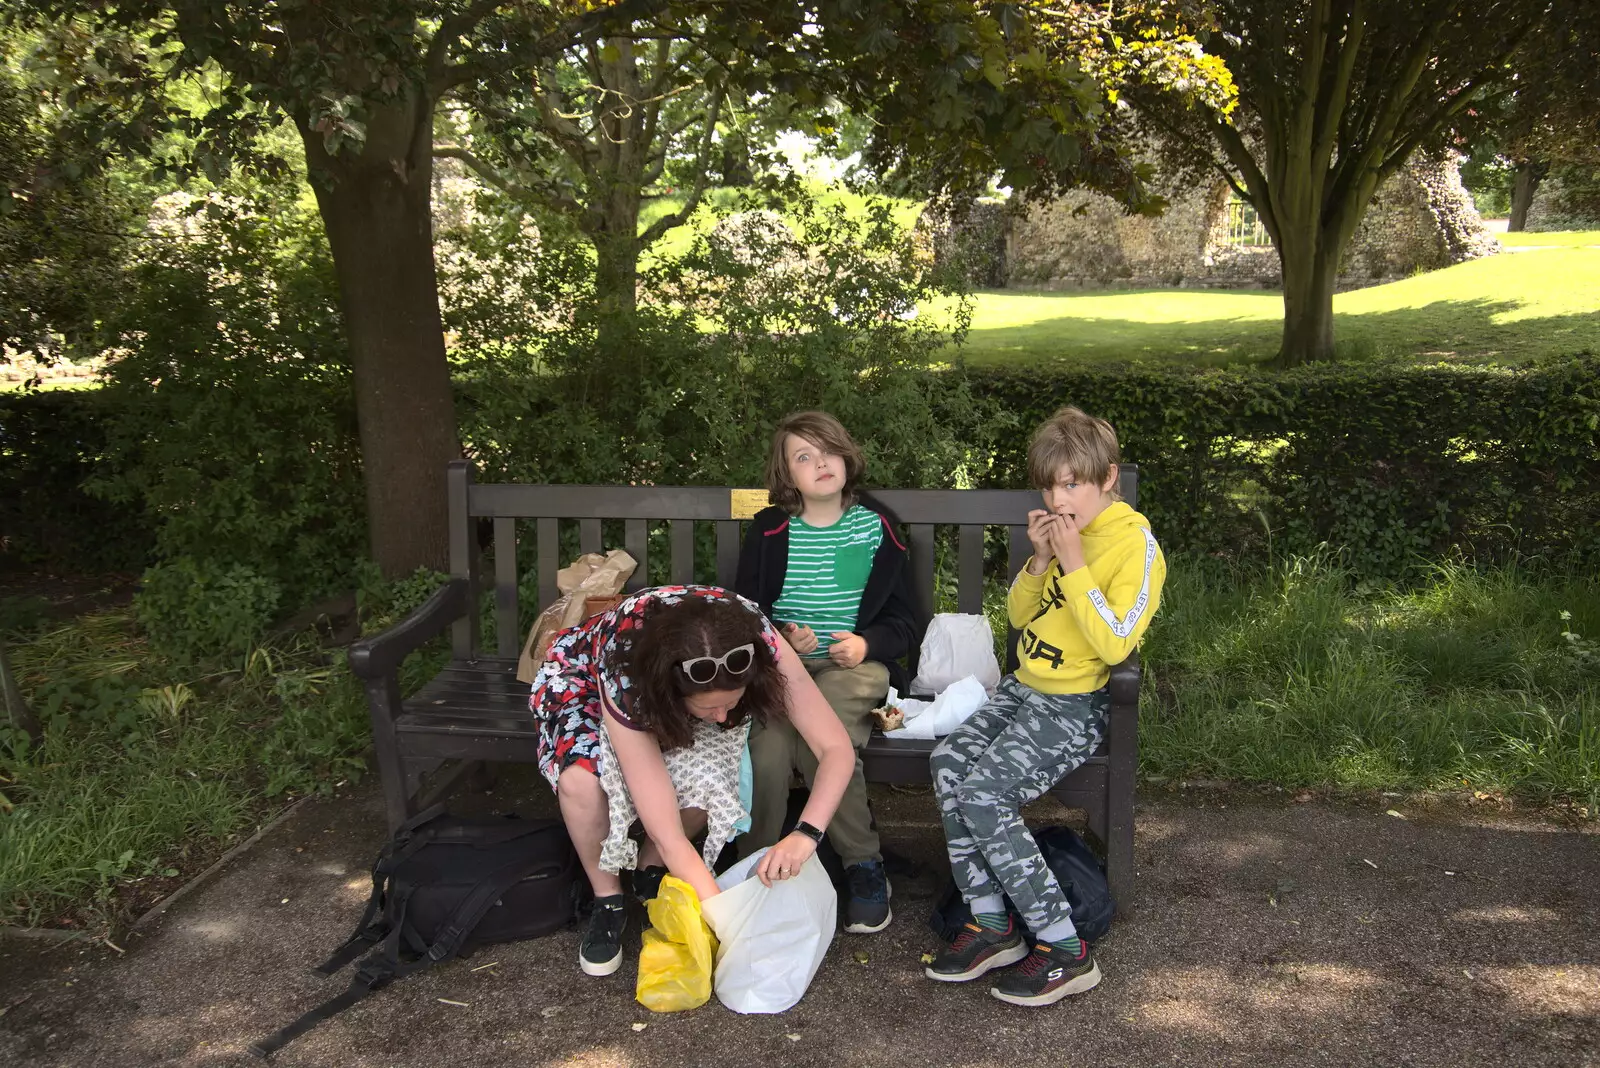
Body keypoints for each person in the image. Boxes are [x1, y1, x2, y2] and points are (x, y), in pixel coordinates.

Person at [924, 406, 1165, 1007]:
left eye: (1072, 483)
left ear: (1108, 477)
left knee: (986, 794)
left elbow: (1115, 643)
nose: (1059, 498)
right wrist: (1038, 562)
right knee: (950, 764)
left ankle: (1064, 948)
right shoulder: (1058, 537)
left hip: (1074, 707)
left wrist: (1077, 564)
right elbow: (1017, 616)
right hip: (1022, 689)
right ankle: (993, 926)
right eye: (1051, 484)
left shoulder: (1136, 547)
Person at [528, 584, 855, 977]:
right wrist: (732, 926)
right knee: (582, 782)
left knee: (708, 778)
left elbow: (836, 749)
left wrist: (806, 834)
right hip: (584, 681)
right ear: (671, 695)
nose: (721, 718)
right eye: (710, 708)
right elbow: (666, 828)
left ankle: (651, 870)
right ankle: (608, 898)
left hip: (680, 679)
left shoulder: (757, 637)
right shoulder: (625, 671)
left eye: (731, 703)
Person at [735, 411, 922, 934]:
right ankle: (757, 866)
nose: (819, 463)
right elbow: (743, 614)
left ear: (846, 456)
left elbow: (907, 623)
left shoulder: (876, 527)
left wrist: (866, 644)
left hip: (855, 669)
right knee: (768, 746)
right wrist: (780, 638)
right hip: (781, 668)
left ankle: (864, 865)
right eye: (803, 457)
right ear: (786, 475)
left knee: (826, 742)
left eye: (827, 451)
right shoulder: (771, 530)